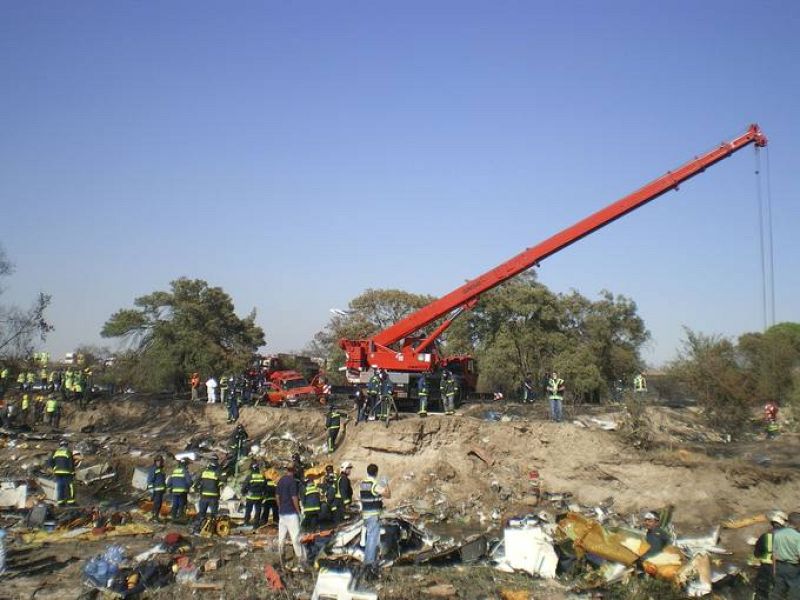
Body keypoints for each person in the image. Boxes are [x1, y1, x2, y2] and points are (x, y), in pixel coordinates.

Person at [360, 463, 391, 579]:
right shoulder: (375, 485)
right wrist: (386, 483)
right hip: (373, 516)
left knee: (369, 539)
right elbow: (388, 495)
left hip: (365, 515)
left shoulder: (363, 484)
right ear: (376, 472)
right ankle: (370, 566)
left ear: (367, 472)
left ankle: (367, 563)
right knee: (373, 540)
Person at [751, 510, 787, 599]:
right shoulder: (789, 537)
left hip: (765, 569)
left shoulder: (765, 536)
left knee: (762, 591)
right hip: (784, 569)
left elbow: (756, 554)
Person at [276, 464, 306, 565]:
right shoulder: (292, 481)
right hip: (291, 514)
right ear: (294, 471)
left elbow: (277, 496)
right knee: (295, 537)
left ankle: (281, 557)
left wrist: (280, 507)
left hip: (282, 514)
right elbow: (294, 498)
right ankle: (301, 559)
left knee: (281, 537)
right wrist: (298, 512)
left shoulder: (281, 480)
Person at [770, 511, 800, 599]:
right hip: (793, 568)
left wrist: (774, 570)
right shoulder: (798, 537)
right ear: (798, 523)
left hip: (779, 566)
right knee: (795, 593)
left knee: (777, 592)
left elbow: (774, 554)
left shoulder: (778, 534)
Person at [194, 458, 222, 531]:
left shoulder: (204, 473)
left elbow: (196, 483)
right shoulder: (217, 473)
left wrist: (197, 490)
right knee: (213, 514)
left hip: (204, 496)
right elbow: (222, 482)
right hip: (213, 497)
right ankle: (212, 529)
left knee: (201, 513)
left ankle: (197, 528)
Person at [50, 440, 76, 506]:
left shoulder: (56, 452)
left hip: (57, 472)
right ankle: (71, 502)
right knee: (70, 487)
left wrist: (54, 468)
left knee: (60, 487)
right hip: (67, 472)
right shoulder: (68, 452)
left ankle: (60, 502)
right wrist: (72, 472)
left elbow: (50, 462)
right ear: (66, 445)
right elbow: (70, 463)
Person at [242, 462, 267, 527]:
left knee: (248, 510)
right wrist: (264, 495)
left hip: (250, 497)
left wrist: (243, 493)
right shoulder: (262, 476)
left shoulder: (249, 477)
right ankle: (256, 523)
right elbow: (265, 486)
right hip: (259, 497)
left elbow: (244, 486)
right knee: (258, 510)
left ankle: (246, 522)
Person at [146, 455, 167, 522]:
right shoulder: (153, 469)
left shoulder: (161, 469)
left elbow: (162, 480)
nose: (159, 463)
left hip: (161, 490)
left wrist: (164, 488)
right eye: (158, 461)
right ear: (155, 462)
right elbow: (150, 479)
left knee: (159, 504)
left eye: (160, 461)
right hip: (156, 490)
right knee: (157, 504)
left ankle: (156, 516)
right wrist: (151, 488)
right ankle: (154, 516)